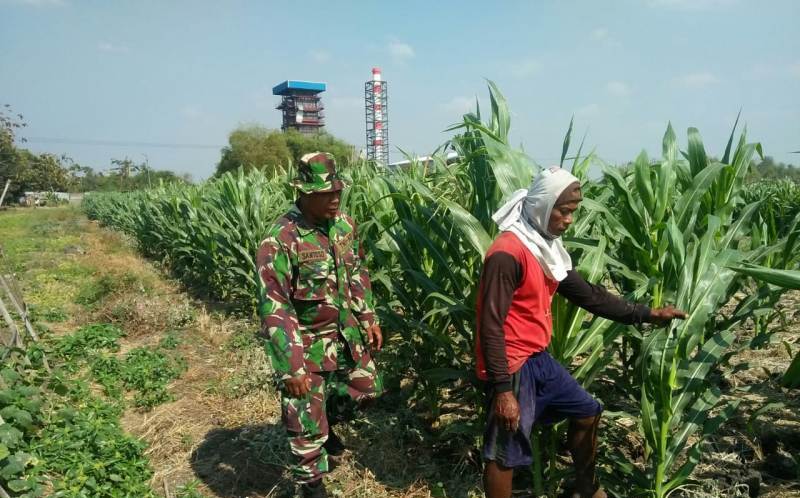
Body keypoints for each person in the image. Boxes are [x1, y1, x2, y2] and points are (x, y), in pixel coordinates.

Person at [476, 166, 686, 498]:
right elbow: (490, 324)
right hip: (513, 365)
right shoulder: (507, 253)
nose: (570, 220)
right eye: (565, 211)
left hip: (538, 358)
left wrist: (647, 314)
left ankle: (586, 490)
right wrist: (503, 390)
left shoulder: (544, 249)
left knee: (587, 411)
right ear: (544, 207)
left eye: (573, 211)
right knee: (505, 450)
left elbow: (589, 295)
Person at [256, 152, 383, 498]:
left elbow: (357, 271)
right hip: (306, 343)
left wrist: (367, 315)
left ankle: (328, 425)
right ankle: (311, 484)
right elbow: (276, 307)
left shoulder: (344, 225)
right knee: (304, 418)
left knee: (366, 388)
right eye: (326, 193)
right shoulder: (281, 239)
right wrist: (291, 366)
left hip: (345, 336)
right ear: (304, 193)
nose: (335, 198)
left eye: (337, 191)